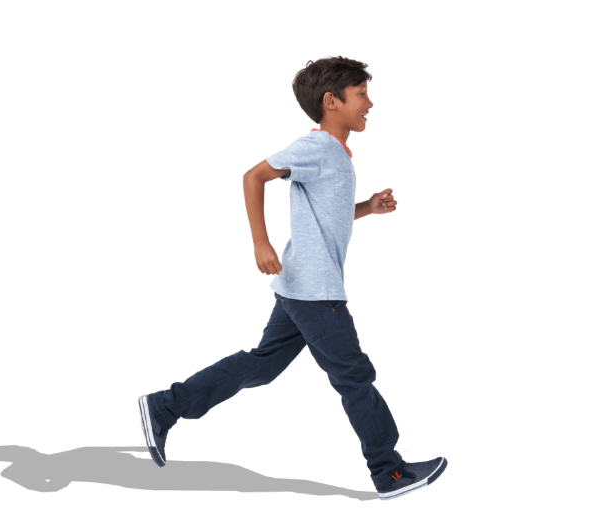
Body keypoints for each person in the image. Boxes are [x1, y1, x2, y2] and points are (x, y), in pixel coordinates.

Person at [138, 56, 446, 500]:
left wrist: (367, 209)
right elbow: (254, 176)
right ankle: (389, 472)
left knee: (263, 365)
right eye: (361, 95)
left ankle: (163, 407)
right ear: (331, 101)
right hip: (315, 291)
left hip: (301, 285)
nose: (370, 104)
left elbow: (329, 215)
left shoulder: (335, 153)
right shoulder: (316, 146)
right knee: (355, 376)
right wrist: (260, 243)